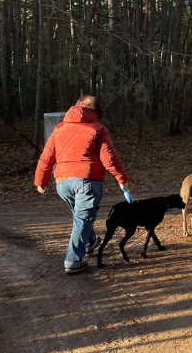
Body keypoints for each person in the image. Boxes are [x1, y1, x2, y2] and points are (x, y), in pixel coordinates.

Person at [34, 95, 132, 274]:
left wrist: (41, 180)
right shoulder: (98, 128)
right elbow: (109, 157)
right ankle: (72, 260)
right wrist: (121, 178)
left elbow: (47, 156)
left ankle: (90, 242)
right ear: (96, 111)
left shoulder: (59, 128)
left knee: (81, 217)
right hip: (87, 181)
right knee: (82, 219)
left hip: (62, 183)